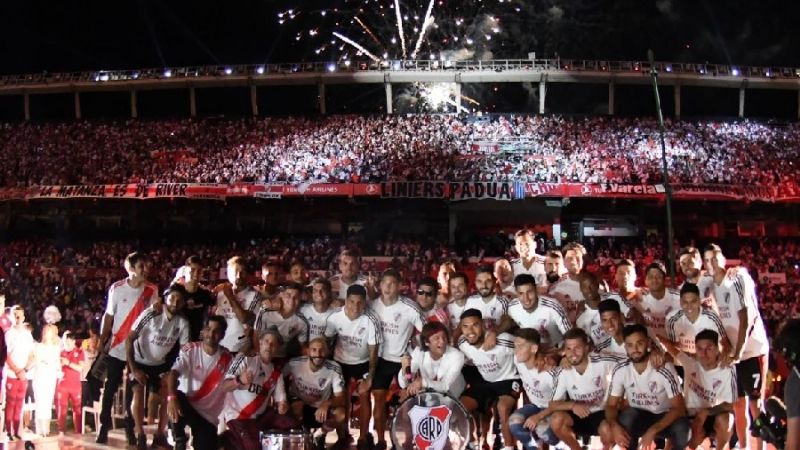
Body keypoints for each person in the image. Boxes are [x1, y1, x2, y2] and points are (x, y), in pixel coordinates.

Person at [704, 244, 770, 450]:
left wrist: (738, 350)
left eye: (715, 258)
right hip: (732, 355)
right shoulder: (709, 285)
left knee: (756, 404)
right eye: (708, 260)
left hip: (751, 351)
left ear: (723, 259)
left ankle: (761, 446)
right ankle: (744, 447)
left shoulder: (738, 276)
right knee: (738, 405)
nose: (712, 263)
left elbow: (746, 315)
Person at [97, 252, 159, 445]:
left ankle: (130, 428)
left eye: (147, 266)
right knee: (110, 388)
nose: (145, 270)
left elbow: (154, 319)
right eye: (141, 266)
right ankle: (104, 427)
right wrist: (103, 338)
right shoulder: (117, 288)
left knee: (134, 393)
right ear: (130, 268)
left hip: (138, 350)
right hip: (117, 348)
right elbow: (109, 315)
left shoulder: (152, 289)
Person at [125, 283, 191, 450]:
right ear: (165, 299)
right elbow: (129, 339)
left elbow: (185, 351)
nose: (175, 302)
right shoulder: (151, 314)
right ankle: (140, 434)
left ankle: (160, 435)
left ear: (183, 303)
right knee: (138, 392)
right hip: (140, 360)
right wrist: (133, 368)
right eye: (172, 298)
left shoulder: (182, 322)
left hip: (160, 363)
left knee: (164, 395)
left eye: (179, 299)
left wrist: (174, 372)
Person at [605, 324, 690, 450]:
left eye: (639, 343)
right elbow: (611, 405)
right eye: (630, 345)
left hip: (664, 417)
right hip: (639, 417)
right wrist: (614, 426)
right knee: (626, 418)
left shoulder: (663, 367)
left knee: (683, 430)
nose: (635, 349)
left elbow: (679, 408)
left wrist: (653, 430)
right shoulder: (620, 369)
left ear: (648, 343)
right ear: (625, 347)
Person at [369, 269, 425, 450]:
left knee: (407, 401)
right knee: (378, 400)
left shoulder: (410, 307)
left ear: (400, 286)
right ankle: (380, 441)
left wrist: (419, 359)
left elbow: (427, 333)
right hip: (380, 360)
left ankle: (406, 442)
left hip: (403, 361)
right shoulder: (372, 305)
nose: (387, 286)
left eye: (392, 283)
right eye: (384, 282)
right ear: (380, 285)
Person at [324, 284, 382, 450]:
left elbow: (373, 352)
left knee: (364, 396)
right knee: (342, 398)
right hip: (340, 361)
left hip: (363, 361)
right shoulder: (334, 317)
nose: (355, 306)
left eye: (359, 303)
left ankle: (363, 437)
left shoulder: (371, 320)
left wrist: (369, 378)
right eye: (351, 302)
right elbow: (326, 342)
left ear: (365, 303)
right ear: (345, 301)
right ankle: (343, 435)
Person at [221, 329, 296, 450]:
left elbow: (281, 401)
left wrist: (283, 406)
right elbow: (224, 386)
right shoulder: (246, 360)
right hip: (238, 415)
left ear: (277, 348)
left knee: (290, 423)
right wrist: (239, 380)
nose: (269, 346)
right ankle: (231, 438)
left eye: (273, 344)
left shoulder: (276, 374)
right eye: (266, 341)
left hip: (259, 417)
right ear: (260, 342)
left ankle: (233, 439)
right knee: (254, 447)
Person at [661, 329, 736, 450]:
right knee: (681, 433)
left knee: (727, 419)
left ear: (717, 349)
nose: (704, 353)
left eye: (709, 348)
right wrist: (651, 337)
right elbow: (669, 347)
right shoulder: (690, 363)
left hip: (710, 415)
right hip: (688, 415)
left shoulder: (727, 371)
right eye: (700, 349)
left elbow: (729, 405)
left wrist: (706, 412)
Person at [548, 328, 620, 450]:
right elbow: (552, 405)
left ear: (587, 348)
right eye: (569, 348)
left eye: (577, 348)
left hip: (601, 413)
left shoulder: (603, 361)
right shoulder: (562, 371)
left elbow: (630, 361)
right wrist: (573, 405)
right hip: (578, 416)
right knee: (556, 420)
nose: (573, 353)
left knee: (607, 429)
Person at [166, 315, 232, 450]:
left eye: (216, 331)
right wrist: (171, 398)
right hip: (186, 405)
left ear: (222, 335)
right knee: (175, 395)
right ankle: (179, 439)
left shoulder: (228, 358)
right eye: (208, 329)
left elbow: (234, 384)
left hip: (207, 416)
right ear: (203, 331)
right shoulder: (190, 349)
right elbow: (173, 374)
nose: (211, 334)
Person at [457, 309, 520, 450]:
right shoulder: (463, 343)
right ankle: (472, 444)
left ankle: (510, 447)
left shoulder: (503, 340)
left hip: (508, 379)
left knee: (502, 408)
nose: (470, 331)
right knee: (458, 407)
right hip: (486, 382)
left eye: (475, 325)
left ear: (484, 325)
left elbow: (527, 348)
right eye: (465, 327)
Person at [284, 338, 348, 450]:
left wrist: (327, 404)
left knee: (341, 414)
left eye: (321, 350)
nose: (318, 354)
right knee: (296, 406)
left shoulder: (334, 368)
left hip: (321, 409)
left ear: (327, 352)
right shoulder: (295, 363)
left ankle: (320, 434)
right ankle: (302, 435)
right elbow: (279, 378)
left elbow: (341, 398)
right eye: (314, 350)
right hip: (300, 404)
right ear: (308, 351)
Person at [508, 328, 558, 450]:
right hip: (535, 406)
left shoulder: (548, 371)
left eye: (520, 347)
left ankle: (561, 444)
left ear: (533, 349)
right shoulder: (518, 360)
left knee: (542, 429)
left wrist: (538, 417)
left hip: (553, 410)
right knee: (514, 422)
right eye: (515, 346)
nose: (516, 351)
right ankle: (533, 448)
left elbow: (559, 403)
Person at [492, 274, 571, 349]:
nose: (526, 298)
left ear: (536, 290)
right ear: (516, 293)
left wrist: (558, 352)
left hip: (554, 349)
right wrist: (494, 333)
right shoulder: (512, 307)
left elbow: (571, 335)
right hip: (531, 353)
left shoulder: (553, 306)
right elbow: (507, 320)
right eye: (521, 293)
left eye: (529, 292)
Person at [399, 321, 465, 398]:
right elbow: (405, 383)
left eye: (444, 337)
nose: (442, 341)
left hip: (454, 395)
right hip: (430, 395)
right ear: (426, 342)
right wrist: (405, 370)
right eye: (437, 338)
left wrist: (422, 382)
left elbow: (445, 386)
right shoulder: (419, 353)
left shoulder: (457, 356)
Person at [214, 256, 261, 354]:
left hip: (239, 349)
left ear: (247, 274)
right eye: (235, 271)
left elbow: (244, 318)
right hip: (220, 346)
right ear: (229, 273)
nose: (238, 275)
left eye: (242, 272)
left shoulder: (254, 295)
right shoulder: (221, 294)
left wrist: (231, 297)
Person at [254, 283, 310, 360]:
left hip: (281, 357)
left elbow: (302, 345)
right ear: (281, 295)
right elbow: (256, 335)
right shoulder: (265, 312)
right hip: (262, 355)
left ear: (300, 299)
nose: (292, 299)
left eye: (296, 297)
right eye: (288, 295)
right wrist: (258, 358)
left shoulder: (302, 322)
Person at [4, 305, 34, 440]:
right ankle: (9, 432)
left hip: (23, 376)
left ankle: (17, 431)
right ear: (11, 317)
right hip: (12, 374)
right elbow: (5, 355)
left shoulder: (28, 335)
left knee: (19, 404)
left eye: (20, 315)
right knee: (10, 404)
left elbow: (31, 355)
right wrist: (17, 370)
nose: (17, 318)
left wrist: (25, 369)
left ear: (24, 317)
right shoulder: (8, 334)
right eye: (15, 315)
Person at [30, 323, 60, 436]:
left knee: (47, 403)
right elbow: (37, 360)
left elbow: (57, 363)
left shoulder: (55, 348)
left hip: (50, 378)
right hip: (39, 378)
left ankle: (46, 429)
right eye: (47, 332)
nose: (49, 335)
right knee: (40, 403)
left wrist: (57, 370)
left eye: (51, 333)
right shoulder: (38, 347)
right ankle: (39, 430)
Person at [178, 256, 216, 341]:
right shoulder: (176, 290)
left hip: (196, 338)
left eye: (199, 271)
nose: (195, 274)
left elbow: (213, 310)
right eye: (192, 270)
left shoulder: (205, 293)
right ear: (185, 271)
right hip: (176, 337)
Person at [57, 330, 86, 435]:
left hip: (75, 386)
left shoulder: (79, 352)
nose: (67, 343)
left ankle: (78, 430)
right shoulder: (61, 352)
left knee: (77, 409)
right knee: (62, 408)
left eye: (69, 341)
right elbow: (56, 367)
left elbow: (80, 368)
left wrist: (68, 363)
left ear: (74, 341)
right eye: (65, 341)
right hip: (63, 384)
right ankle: (61, 430)